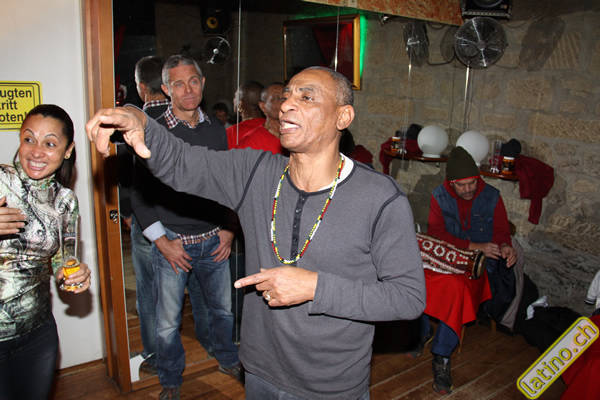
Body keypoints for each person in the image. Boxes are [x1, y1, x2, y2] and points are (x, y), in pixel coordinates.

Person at [87, 66, 426, 399]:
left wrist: (315, 287)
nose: (287, 104)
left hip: (329, 385)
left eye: (306, 97)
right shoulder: (256, 172)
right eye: (287, 96)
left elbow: (408, 298)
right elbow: (182, 161)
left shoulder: (379, 197)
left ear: (343, 116)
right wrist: (140, 119)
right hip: (259, 370)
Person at [131, 54, 241, 399]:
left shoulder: (216, 130)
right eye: (178, 84)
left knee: (223, 310)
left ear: (203, 83)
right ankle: (170, 380)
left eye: (193, 81)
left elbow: (228, 182)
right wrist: (162, 242)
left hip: (214, 239)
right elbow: (139, 192)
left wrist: (229, 229)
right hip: (173, 242)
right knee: (167, 322)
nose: (188, 89)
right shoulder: (153, 130)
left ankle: (228, 358)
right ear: (166, 89)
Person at [0, 104, 92, 400]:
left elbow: (63, 262)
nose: (36, 152)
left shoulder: (66, 201)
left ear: (68, 150)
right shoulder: (1, 181)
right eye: (29, 139)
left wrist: (75, 275)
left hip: (37, 335)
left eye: (50, 143)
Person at [415, 145, 517, 394]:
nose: (468, 189)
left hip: (480, 265)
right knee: (417, 278)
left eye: (472, 183)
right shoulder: (440, 195)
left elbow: (502, 232)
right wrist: (472, 245)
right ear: (451, 183)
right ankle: (420, 331)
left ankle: (442, 355)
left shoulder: (491, 196)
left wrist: (506, 246)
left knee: (457, 290)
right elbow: (436, 233)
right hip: (448, 257)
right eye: (461, 185)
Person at [236, 82, 285, 154]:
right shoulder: (250, 142)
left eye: (285, 98)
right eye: (277, 98)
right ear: (263, 106)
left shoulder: (297, 137)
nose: (283, 102)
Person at [226, 81, 264, 148]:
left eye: (235, 97)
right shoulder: (274, 128)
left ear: (240, 105)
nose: (233, 100)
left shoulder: (231, 133)